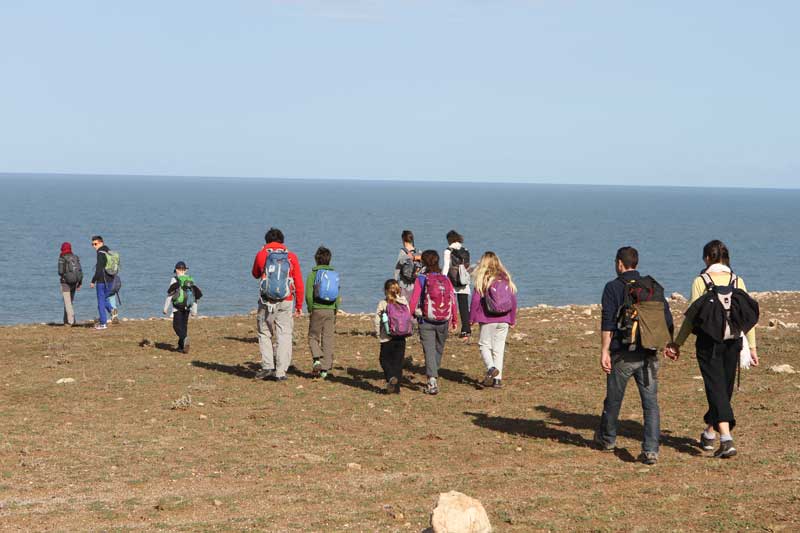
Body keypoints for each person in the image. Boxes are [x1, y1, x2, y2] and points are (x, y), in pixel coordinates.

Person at [666, 240, 759, 459]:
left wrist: (677, 343)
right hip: (734, 342)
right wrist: (752, 347)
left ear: (707, 258)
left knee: (716, 388)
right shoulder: (738, 280)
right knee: (723, 389)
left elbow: (691, 318)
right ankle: (709, 434)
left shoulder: (701, 281)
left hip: (709, 343)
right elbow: (747, 319)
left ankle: (726, 440)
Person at [595, 246, 674, 465]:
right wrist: (668, 344)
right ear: (636, 263)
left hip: (623, 354)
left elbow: (608, 322)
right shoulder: (651, 287)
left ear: (620, 263)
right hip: (649, 353)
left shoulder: (612, 287)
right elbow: (666, 319)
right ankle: (651, 450)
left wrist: (604, 351)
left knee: (613, 400)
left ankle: (608, 439)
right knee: (650, 404)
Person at [251, 228, 304, 382]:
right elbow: (298, 283)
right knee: (285, 334)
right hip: (286, 300)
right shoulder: (291, 256)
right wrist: (299, 306)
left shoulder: (262, 254)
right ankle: (281, 371)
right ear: (282, 241)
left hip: (266, 301)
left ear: (267, 240)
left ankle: (267, 365)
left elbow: (255, 274)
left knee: (264, 332)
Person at [408, 250, 458, 395]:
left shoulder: (421, 278)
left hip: (426, 320)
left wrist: (409, 315)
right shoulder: (445, 279)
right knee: (438, 349)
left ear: (423, 262)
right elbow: (452, 300)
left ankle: (432, 381)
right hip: (444, 320)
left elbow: (414, 300)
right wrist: (454, 319)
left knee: (429, 350)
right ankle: (433, 374)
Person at [469, 251, 518, 389]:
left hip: (488, 318)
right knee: (499, 349)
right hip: (504, 319)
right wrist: (512, 319)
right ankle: (498, 379)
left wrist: (471, 318)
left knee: (484, 345)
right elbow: (513, 301)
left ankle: (491, 368)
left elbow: (475, 301)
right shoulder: (505, 277)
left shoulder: (483, 278)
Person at [305, 246, 341, 379]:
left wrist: (310, 308)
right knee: (328, 339)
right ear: (329, 260)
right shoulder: (334, 275)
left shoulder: (313, 275)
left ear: (316, 260)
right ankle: (325, 370)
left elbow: (309, 295)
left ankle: (317, 359)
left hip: (317, 309)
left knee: (313, 336)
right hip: (330, 310)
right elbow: (337, 295)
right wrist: (335, 309)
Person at [374, 279, 412, 393]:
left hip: (387, 337)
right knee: (398, 363)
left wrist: (377, 333)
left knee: (384, 359)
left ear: (386, 291)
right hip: (401, 336)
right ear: (398, 290)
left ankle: (390, 377)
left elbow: (376, 320)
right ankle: (396, 389)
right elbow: (408, 317)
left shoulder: (383, 303)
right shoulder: (404, 301)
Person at [163, 262, 203, 353]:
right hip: (187, 308)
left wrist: (165, 308)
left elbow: (170, 294)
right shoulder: (190, 280)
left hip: (177, 308)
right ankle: (181, 347)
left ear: (176, 270)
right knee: (184, 327)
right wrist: (194, 311)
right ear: (185, 270)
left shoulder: (174, 279)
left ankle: (185, 338)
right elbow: (194, 296)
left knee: (176, 326)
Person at [443, 230, 473, 339]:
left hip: (452, 281)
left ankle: (447, 327)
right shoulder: (466, 250)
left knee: (449, 305)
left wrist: (442, 279)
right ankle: (466, 330)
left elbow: (446, 267)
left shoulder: (448, 251)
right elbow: (467, 267)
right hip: (463, 281)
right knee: (464, 306)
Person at [89, 235, 116, 330]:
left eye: (95, 244)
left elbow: (99, 269)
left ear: (101, 243)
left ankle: (103, 323)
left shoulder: (100, 253)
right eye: (92, 244)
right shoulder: (109, 251)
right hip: (111, 280)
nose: (94, 246)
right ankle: (112, 310)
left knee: (100, 302)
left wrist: (93, 281)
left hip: (101, 281)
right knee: (104, 298)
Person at [57, 242, 83, 325]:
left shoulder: (62, 258)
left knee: (67, 302)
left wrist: (63, 276)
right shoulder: (75, 257)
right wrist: (80, 282)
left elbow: (60, 272)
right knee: (69, 301)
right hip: (75, 282)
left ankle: (71, 321)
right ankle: (66, 321)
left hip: (65, 282)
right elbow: (79, 270)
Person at [394, 230, 421, 301]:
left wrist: (395, 281)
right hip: (416, 284)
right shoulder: (418, 251)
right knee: (414, 303)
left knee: (403, 303)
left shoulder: (403, 251)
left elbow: (398, 267)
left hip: (404, 284)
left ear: (403, 239)